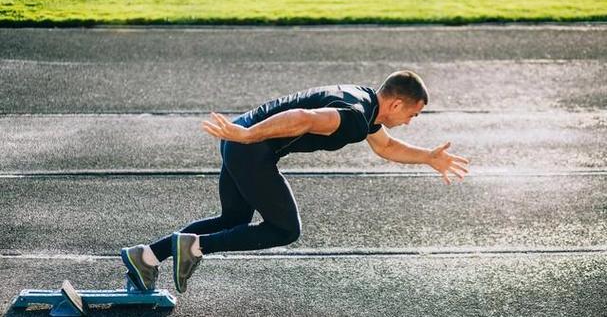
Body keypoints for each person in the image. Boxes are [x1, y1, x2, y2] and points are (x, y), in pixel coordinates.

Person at [121, 70, 470, 293]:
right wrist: (247, 137)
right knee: (285, 229)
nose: (411, 121)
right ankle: (195, 247)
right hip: (248, 146)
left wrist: (428, 157)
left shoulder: (363, 103)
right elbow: (302, 117)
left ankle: (147, 256)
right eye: (413, 114)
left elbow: (387, 147)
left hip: (242, 141)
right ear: (395, 104)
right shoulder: (353, 119)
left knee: (233, 221)